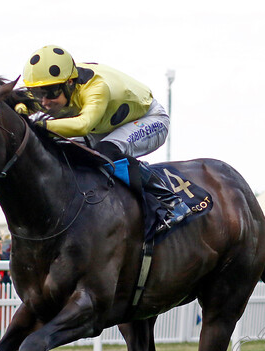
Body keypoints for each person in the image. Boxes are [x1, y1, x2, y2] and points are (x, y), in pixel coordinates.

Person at [20, 45, 190, 232]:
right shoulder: (48, 84)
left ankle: (171, 202)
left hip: (148, 119)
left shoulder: (96, 88)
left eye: (51, 93)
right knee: (60, 145)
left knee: (106, 150)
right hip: (103, 125)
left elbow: (83, 125)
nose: (44, 102)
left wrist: (40, 125)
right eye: (37, 94)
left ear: (69, 83)